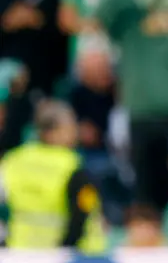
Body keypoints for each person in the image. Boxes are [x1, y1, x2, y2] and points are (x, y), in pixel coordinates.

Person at [0, 100, 105, 253]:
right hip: (71, 258)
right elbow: (81, 214)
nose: (75, 133)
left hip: (19, 254)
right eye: (70, 127)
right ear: (51, 132)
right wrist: (64, 251)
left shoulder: (13, 160)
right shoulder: (73, 165)